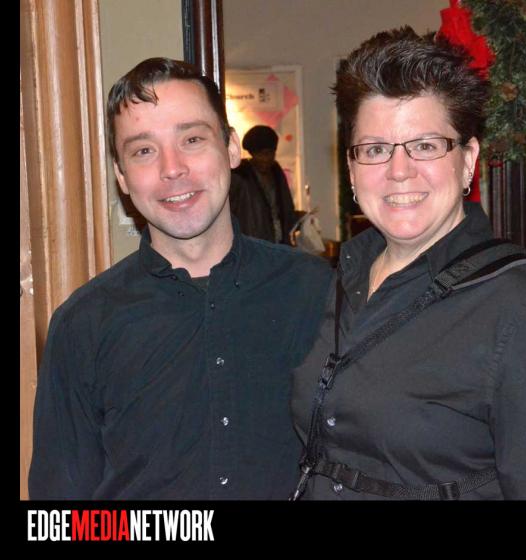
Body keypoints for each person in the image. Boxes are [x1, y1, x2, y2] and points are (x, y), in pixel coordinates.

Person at [290, 27, 526, 500]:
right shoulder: (340, 281)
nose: (398, 171)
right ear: (352, 169)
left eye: (426, 145)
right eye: (376, 149)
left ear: (468, 161)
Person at [28, 58, 332, 500]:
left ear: (231, 148)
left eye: (192, 139)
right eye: (144, 151)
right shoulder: (82, 324)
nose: (172, 168)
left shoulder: (315, 291)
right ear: (121, 176)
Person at [229, 125, 297, 244]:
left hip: (279, 243)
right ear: (252, 154)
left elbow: (286, 207)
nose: (267, 159)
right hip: (251, 245)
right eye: (262, 154)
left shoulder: (276, 172)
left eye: (271, 153)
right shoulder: (241, 176)